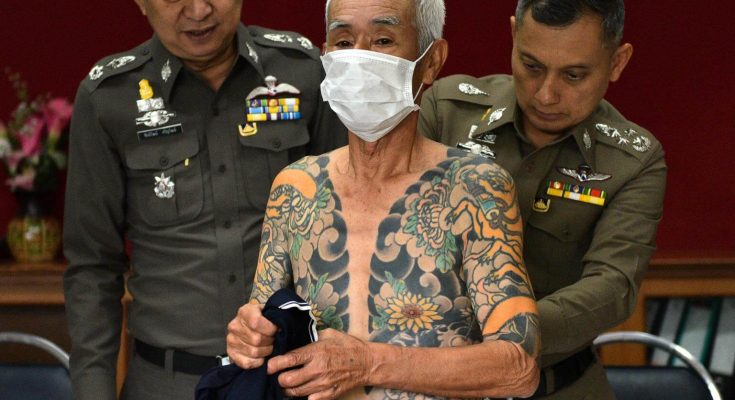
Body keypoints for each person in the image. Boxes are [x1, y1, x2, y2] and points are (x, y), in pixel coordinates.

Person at [225, 0, 541, 399]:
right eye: (343, 42)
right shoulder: (295, 187)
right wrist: (248, 339)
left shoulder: (472, 188)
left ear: (431, 61)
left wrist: (368, 363)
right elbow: (260, 329)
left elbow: (518, 366)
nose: (359, 58)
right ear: (326, 55)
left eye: (383, 39)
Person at [62, 0, 346, 398]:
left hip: (287, 377)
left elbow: (350, 224)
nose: (198, 10)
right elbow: (92, 267)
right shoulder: (109, 97)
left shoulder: (302, 72)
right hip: (167, 382)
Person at [418, 0, 667, 398]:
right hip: (426, 378)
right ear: (513, 34)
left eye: (573, 75)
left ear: (617, 62)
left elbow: (612, 286)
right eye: (531, 66)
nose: (546, 95)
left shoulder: (632, 161)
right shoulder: (448, 111)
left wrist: (507, 334)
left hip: (555, 385)